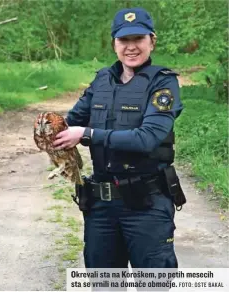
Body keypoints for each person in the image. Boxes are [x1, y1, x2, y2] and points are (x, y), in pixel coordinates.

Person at [53, 7, 186, 270]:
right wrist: (51, 131)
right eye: (124, 40)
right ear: (114, 43)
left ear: (152, 41)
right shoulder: (102, 80)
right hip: (101, 206)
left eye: (138, 39)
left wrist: (87, 135)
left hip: (147, 205)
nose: (131, 47)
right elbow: (71, 122)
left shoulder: (163, 84)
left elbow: (147, 138)